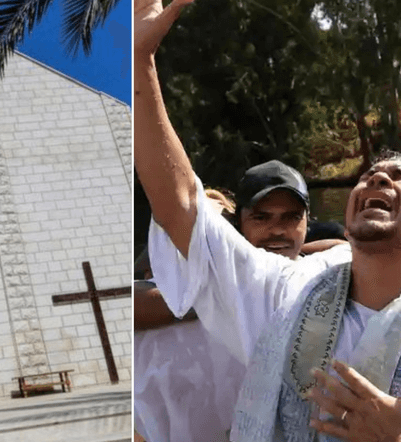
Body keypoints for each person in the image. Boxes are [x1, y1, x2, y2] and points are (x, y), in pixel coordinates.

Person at [133, 0, 401, 440]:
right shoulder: (289, 294)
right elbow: (184, 205)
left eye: (399, 178)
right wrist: (139, 64)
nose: (379, 179)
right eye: (370, 175)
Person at [135, 172, 322, 442]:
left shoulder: (326, 270)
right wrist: (224, 295)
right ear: (238, 225)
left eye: (292, 217)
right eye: (261, 217)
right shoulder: (193, 292)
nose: (278, 229)